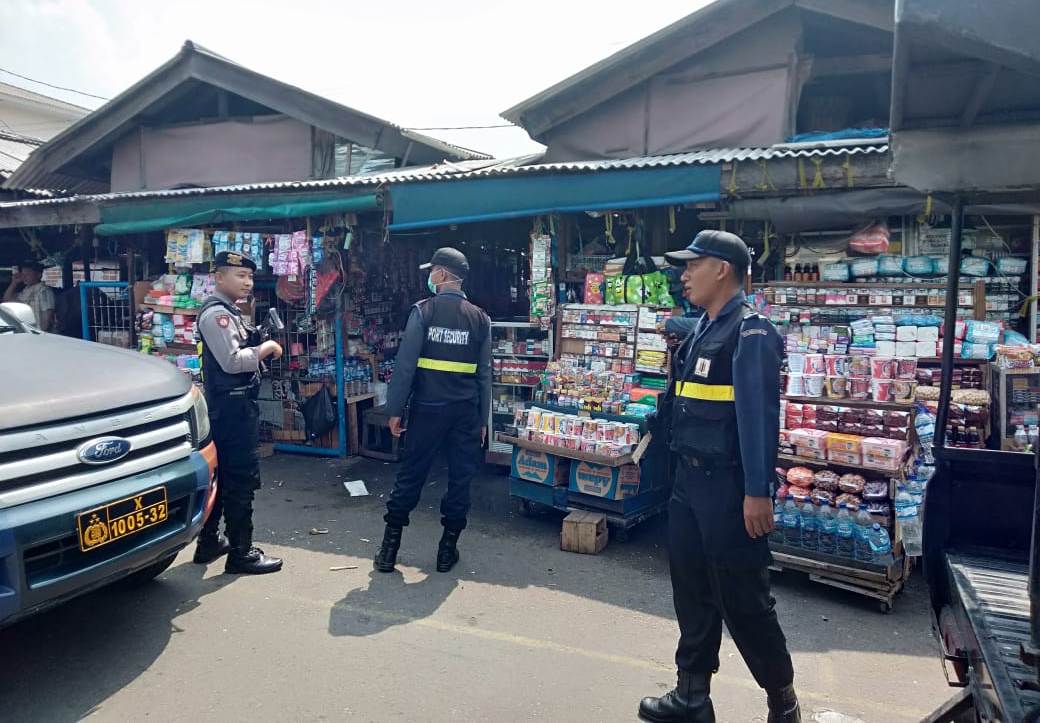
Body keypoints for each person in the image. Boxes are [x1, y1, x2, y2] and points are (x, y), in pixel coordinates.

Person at [639, 231, 799, 723]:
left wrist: (758, 491)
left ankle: (783, 703)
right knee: (691, 591)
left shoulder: (751, 334)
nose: (684, 275)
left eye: (693, 265)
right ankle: (691, 696)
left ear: (723, 269)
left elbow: (757, 418)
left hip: (728, 489)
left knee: (744, 601)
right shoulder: (703, 330)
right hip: (688, 485)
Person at [374, 247, 491, 574]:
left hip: (427, 409)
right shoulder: (480, 318)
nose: (430, 276)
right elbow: (485, 374)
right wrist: (483, 419)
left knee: (411, 475)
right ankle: (446, 552)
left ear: (441, 274)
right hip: (465, 412)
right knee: (460, 479)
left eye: (432, 271)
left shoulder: (423, 312)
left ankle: (388, 551)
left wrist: (395, 409)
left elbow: (405, 365)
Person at [194, 251, 284, 575]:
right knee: (241, 478)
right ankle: (241, 553)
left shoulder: (229, 311)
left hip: (230, 406)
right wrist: (266, 348)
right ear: (219, 277)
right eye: (240, 276)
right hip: (232, 409)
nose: (247, 283)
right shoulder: (217, 315)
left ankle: (209, 542)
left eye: (250, 277)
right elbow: (232, 361)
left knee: (224, 477)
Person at [4, 260, 55, 332]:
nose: (24, 277)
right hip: (26, 331)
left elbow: (47, 317)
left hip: (37, 333)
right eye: (23, 274)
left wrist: (41, 332)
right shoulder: (26, 290)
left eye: (27, 274)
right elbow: (7, 300)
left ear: (38, 275)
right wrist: (14, 282)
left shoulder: (44, 291)